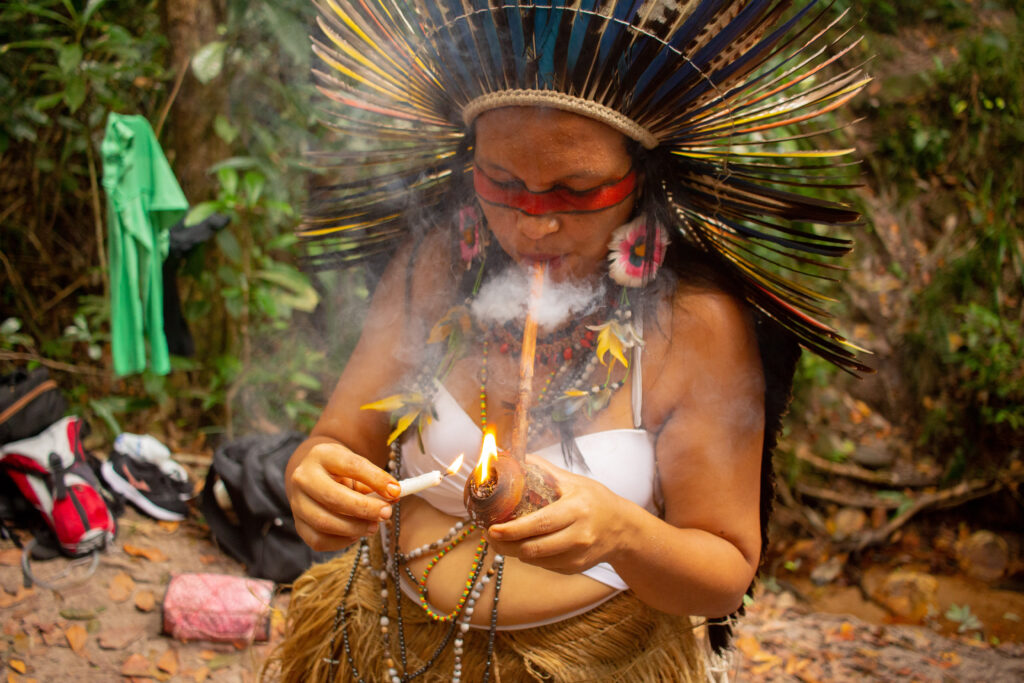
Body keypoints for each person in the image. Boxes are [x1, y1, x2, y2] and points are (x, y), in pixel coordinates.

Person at [265, 1, 869, 681]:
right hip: (388, 651)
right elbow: (337, 442)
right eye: (503, 182)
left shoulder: (695, 322)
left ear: (642, 175)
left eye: (575, 189)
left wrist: (623, 533)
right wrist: (312, 476)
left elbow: (724, 571)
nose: (534, 225)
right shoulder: (436, 265)